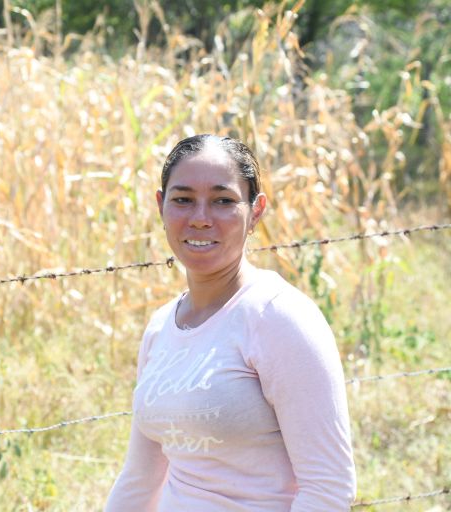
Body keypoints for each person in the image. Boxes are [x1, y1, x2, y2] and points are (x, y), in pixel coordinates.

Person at [104, 135, 356, 511]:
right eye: (183, 199)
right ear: (161, 206)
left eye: (223, 201)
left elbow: (329, 488)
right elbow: (140, 478)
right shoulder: (161, 328)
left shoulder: (278, 318)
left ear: (256, 211)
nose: (201, 218)